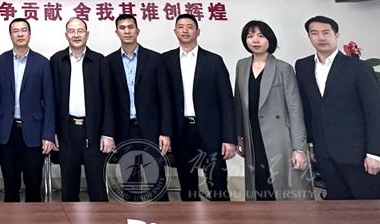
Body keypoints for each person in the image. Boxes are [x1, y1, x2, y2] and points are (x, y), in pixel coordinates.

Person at [295, 15, 380, 200]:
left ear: (337, 35)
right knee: (337, 206)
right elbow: (307, 109)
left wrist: (375, 153)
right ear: (309, 37)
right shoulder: (302, 66)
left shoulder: (358, 67)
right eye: (314, 33)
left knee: (368, 207)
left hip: (358, 155)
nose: (321, 37)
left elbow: (375, 112)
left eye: (326, 32)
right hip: (325, 154)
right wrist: (310, 143)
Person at [234, 20, 313, 201]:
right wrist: (239, 135)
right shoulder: (242, 65)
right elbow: (238, 102)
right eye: (250, 36)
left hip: (280, 138)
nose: (255, 40)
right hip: (252, 135)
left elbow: (295, 109)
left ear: (270, 39)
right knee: (259, 184)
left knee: (283, 187)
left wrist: (299, 148)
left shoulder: (283, 68)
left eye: (261, 36)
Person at [162, 14, 236, 201]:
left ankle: (224, 216)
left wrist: (229, 138)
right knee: (188, 187)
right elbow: (163, 100)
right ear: (175, 31)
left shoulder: (214, 61)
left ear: (198, 31)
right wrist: (166, 132)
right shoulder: (165, 61)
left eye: (189, 26)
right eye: (181, 27)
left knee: (218, 184)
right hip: (181, 132)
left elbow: (227, 101)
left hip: (211, 132)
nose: (185, 30)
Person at [106, 13, 172, 202]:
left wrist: (165, 131)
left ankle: (162, 217)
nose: (127, 31)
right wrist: (110, 133)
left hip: (152, 131)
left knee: (156, 182)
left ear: (137, 30)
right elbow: (108, 101)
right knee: (130, 184)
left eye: (130, 27)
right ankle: (134, 216)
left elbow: (165, 98)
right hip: (124, 131)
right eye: (122, 28)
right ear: (117, 32)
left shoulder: (155, 59)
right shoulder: (109, 62)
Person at [0, 18, 55, 202]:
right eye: (15, 31)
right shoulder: (0, 62)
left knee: (33, 188)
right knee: (10, 188)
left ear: (30, 34)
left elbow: (49, 102)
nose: (20, 34)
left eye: (24, 30)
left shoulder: (42, 63)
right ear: (10, 35)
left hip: (34, 133)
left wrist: (48, 134)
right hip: (6, 131)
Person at [50, 17, 115, 202]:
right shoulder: (56, 60)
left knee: (97, 187)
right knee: (69, 189)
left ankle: (101, 217)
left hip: (93, 131)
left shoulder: (100, 61)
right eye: (72, 31)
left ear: (87, 34)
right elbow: (50, 99)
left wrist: (108, 133)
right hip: (66, 131)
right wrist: (51, 131)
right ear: (66, 35)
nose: (76, 35)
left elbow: (109, 99)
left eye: (80, 31)